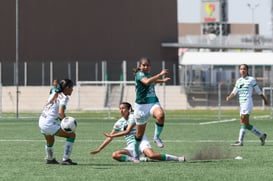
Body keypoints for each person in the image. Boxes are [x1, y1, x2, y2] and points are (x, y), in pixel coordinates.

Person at [90, 102, 185, 162]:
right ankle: (137, 160)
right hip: (131, 146)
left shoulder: (133, 117)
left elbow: (127, 131)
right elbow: (109, 137)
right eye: (120, 108)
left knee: (152, 155)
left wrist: (112, 136)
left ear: (129, 110)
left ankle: (178, 158)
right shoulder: (119, 122)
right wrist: (99, 149)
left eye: (123, 108)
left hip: (141, 141)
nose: (121, 110)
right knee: (115, 155)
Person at [132, 57, 171, 161]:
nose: (145, 67)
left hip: (153, 102)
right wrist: (160, 74)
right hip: (141, 107)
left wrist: (162, 80)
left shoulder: (148, 74)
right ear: (140, 66)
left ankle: (156, 137)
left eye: (147, 65)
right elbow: (147, 82)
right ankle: (136, 153)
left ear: (150, 66)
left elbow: (152, 81)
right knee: (139, 135)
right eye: (143, 65)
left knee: (160, 115)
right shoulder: (139, 74)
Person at [226, 64, 268, 146]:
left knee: (242, 121)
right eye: (241, 69)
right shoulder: (239, 81)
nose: (242, 70)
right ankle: (261, 136)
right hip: (241, 104)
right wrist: (229, 97)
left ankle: (240, 141)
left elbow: (258, 91)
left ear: (247, 70)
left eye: (244, 69)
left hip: (247, 102)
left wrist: (265, 100)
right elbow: (234, 91)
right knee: (246, 124)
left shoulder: (251, 79)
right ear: (239, 70)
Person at [39, 79, 77, 165]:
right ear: (67, 88)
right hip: (48, 123)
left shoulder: (54, 92)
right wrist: (67, 123)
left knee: (50, 141)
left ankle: (50, 158)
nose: (72, 89)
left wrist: (56, 85)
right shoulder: (64, 97)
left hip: (42, 120)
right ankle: (66, 159)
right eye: (72, 87)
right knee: (71, 135)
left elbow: (54, 89)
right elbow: (60, 112)